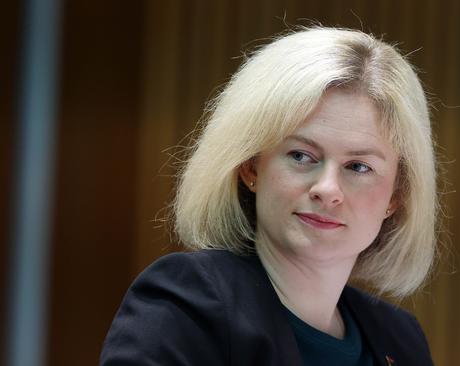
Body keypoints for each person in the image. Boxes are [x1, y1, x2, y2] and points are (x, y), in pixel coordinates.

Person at [101, 26, 438, 366]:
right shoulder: (189, 303)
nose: (327, 189)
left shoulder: (401, 340)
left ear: (396, 195)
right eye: (301, 156)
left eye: (358, 167)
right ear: (251, 168)